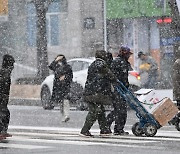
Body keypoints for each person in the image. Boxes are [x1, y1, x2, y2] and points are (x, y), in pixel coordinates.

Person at [80, 50, 116, 137]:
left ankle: (104, 129)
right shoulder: (101, 65)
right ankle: (85, 130)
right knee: (95, 111)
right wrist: (114, 79)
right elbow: (110, 75)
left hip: (91, 91)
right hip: (96, 92)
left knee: (100, 111)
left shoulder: (93, 64)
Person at [106, 46, 132, 135]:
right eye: (128, 54)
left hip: (120, 89)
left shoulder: (120, 62)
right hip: (118, 89)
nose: (129, 56)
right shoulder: (119, 62)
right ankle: (117, 128)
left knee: (119, 109)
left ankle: (112, 126)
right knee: (120, 110)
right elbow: (118, 77)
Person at [47, 54, 73, 122]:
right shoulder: (56, 66)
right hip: (58, 86)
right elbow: (50, 66)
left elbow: (70, 76)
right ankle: (63, 115)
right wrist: (56, 60)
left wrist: (65, 77)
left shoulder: (67, 67)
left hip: (65, 86)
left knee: (65, 100)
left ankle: (66, 115)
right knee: (61, 102)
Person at [0, 54, 15, 140]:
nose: (13, 67)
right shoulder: (4, 72)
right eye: (12, 64)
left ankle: (3, 131)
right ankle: (2, 132)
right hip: (2, 98)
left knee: (5, 113)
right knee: (3, 113)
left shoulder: (5, 72)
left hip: (3, 98)